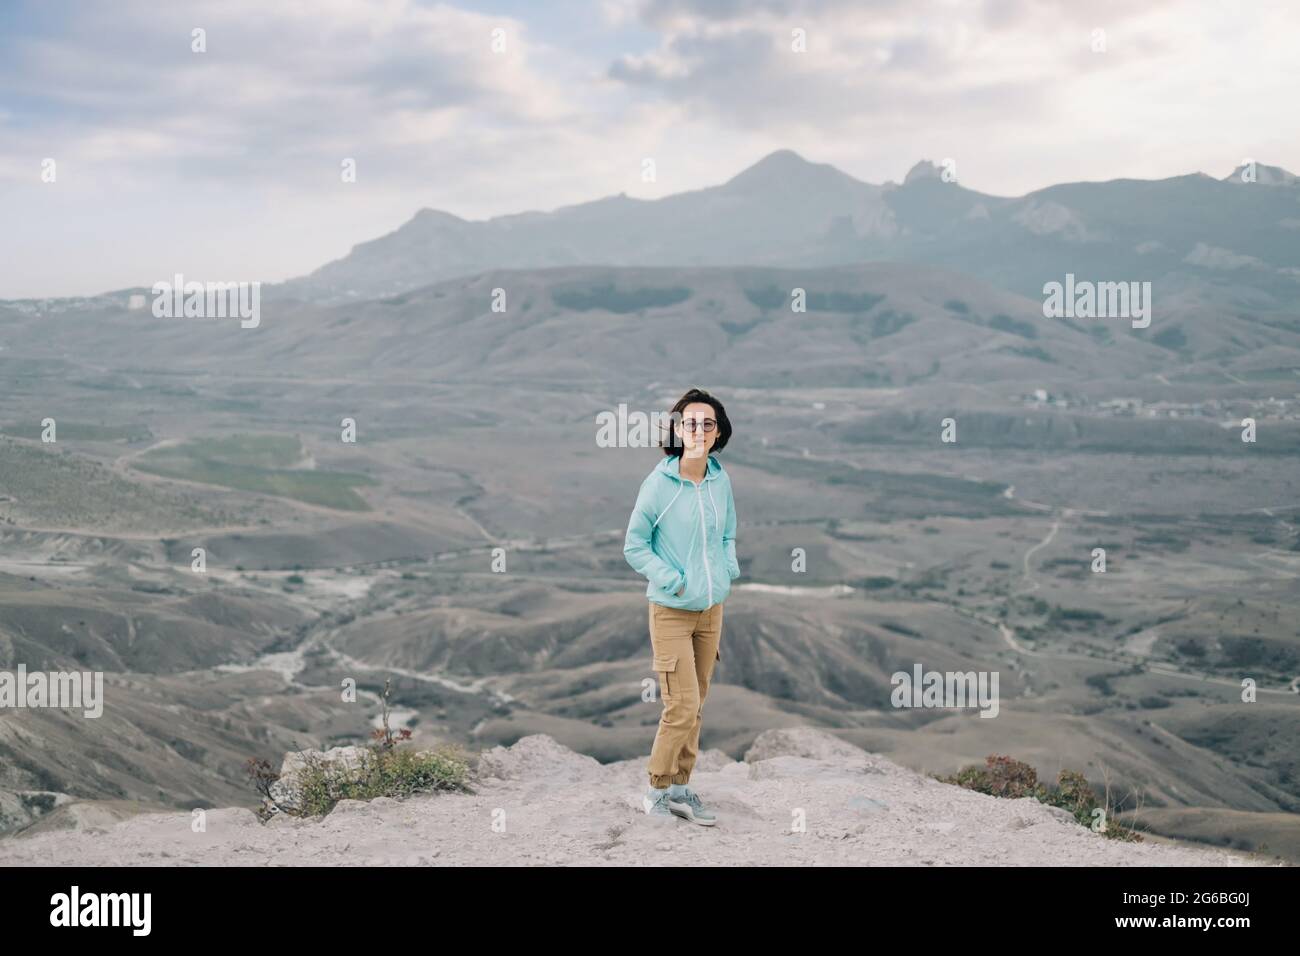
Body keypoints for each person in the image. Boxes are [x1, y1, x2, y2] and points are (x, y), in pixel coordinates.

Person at [623, 387, 739, 825]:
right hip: (671, 609)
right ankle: (655, 790)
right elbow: (634, 546)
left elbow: (728, 533)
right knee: (681, 705)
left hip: (712, 609)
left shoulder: (719, 479)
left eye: (707, 423)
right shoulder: (659, 484)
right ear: (678, 429)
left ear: (717, 432)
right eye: (690, 422)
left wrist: (727, 570)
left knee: (698, 703)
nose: (698, 430)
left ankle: (681, 789)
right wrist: (674, 580)